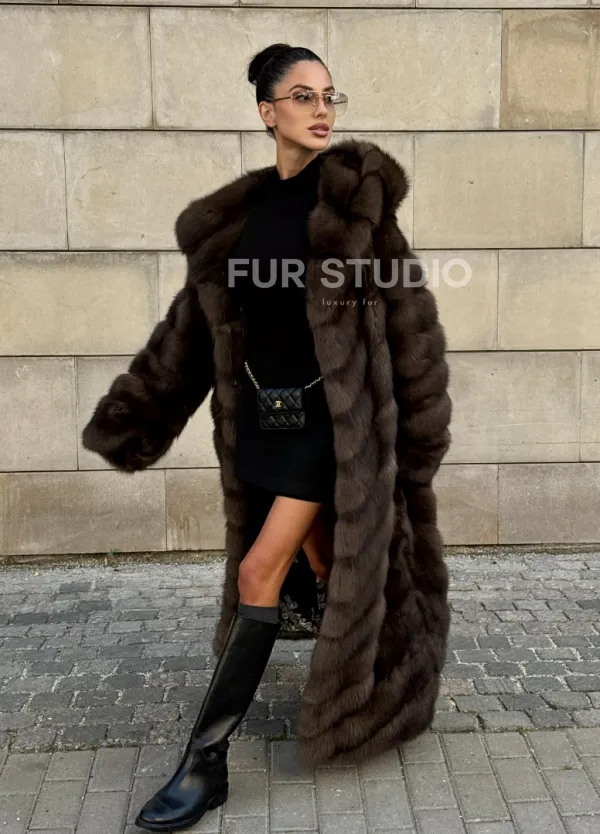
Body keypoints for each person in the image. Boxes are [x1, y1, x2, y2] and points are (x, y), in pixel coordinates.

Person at [82, 42, 452, 834]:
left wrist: (417, 444)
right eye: (302, 96)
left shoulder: (356, 207)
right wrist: (136, 414)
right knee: (327, 563)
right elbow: (191, 332)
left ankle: (204, 764)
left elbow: (411, 324)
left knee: (260, 570)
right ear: (266, 111)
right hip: (262, 420)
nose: (322, 110)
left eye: (329, 95)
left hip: (331, 430)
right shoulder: (238, 218)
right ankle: (386, 680)